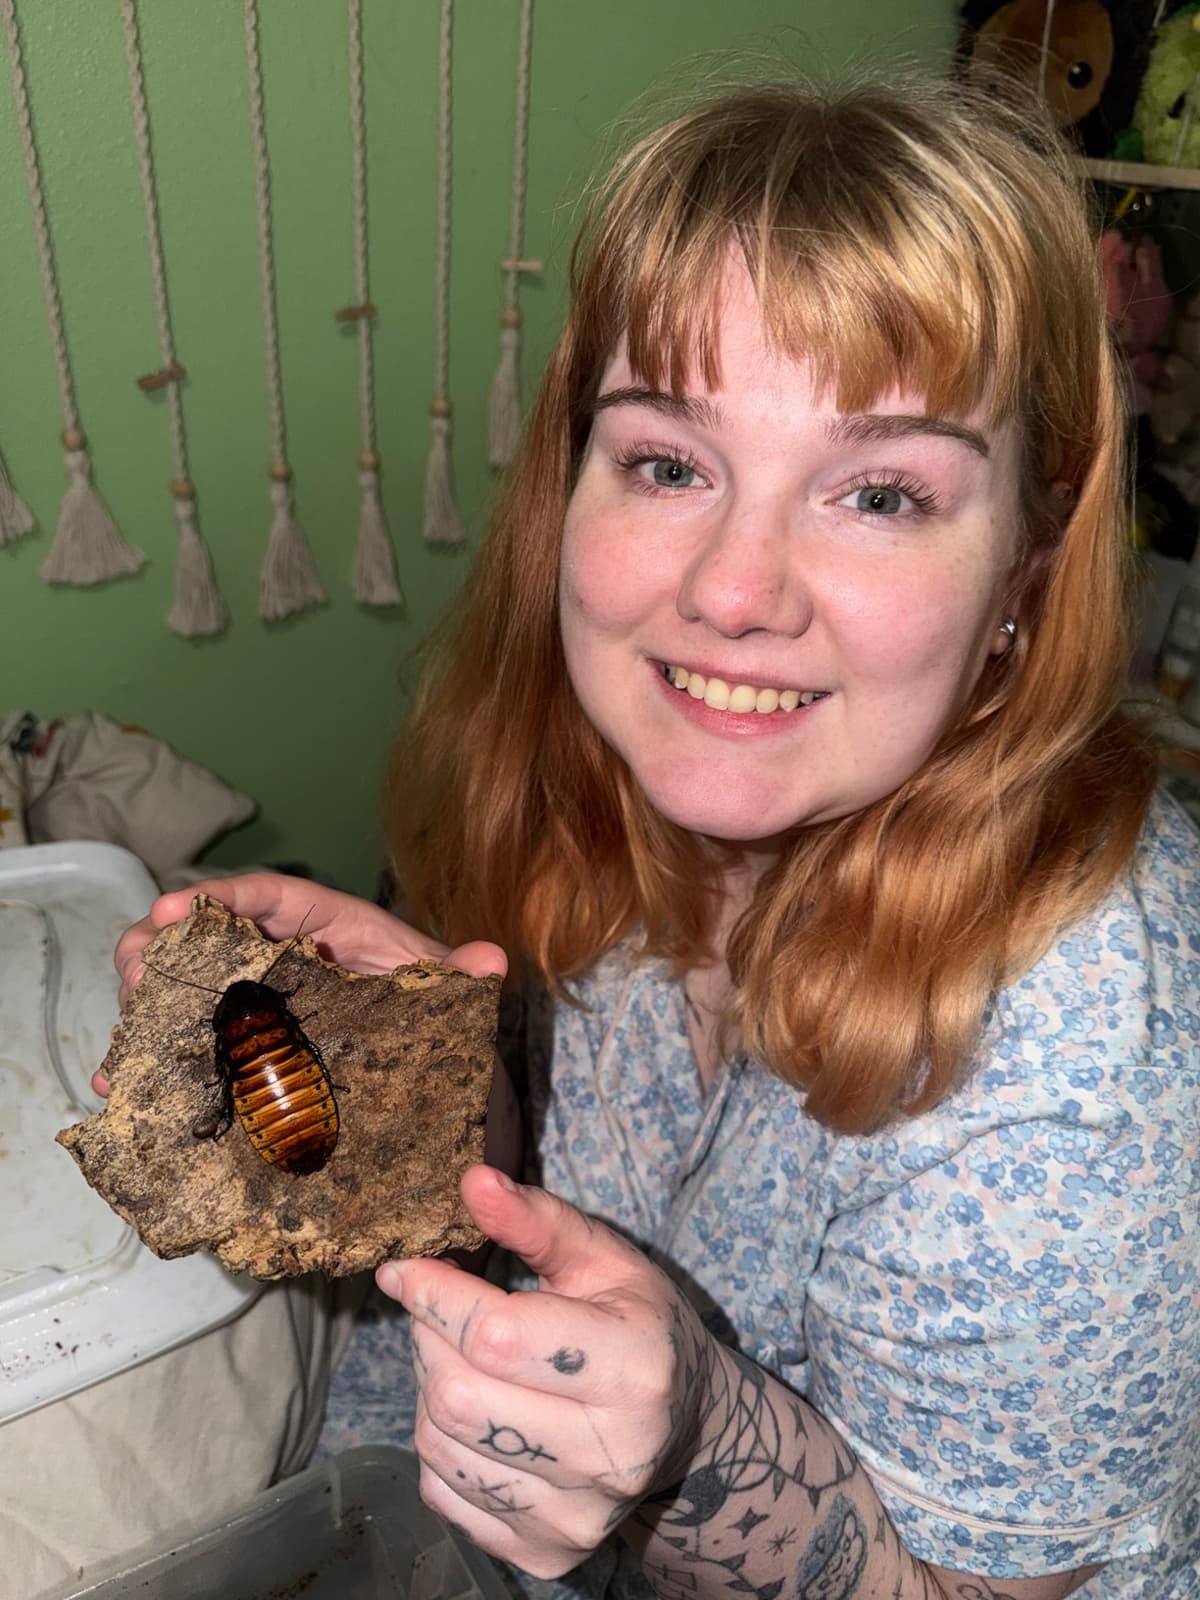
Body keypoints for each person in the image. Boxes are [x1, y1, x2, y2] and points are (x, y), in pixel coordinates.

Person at [111, 69, 1200, 1600]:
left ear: (1026, 562)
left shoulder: (1091, 1062)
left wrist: (696, 1437)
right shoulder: (604, 774)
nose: (732, 590)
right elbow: (541, 1199)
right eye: (669, 464)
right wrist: (428, 1084)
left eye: (882, 494)